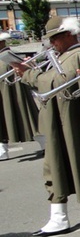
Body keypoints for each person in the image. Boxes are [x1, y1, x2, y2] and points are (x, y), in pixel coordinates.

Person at [14, 16, 80, 237]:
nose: (52, 44)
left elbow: (59, 83)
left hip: (74, 121)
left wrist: (29, 74)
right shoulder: (65, 55)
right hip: (63, 120)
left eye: (54, 38)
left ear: (67, 35)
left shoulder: (77, 55)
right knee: (54, 168)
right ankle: (59, 217)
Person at [0, 32, 41, 160]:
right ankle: (2, 149)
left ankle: (44, 143)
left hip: (13, 91)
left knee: (27, 116)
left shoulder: (8, 57)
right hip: (3, 92)